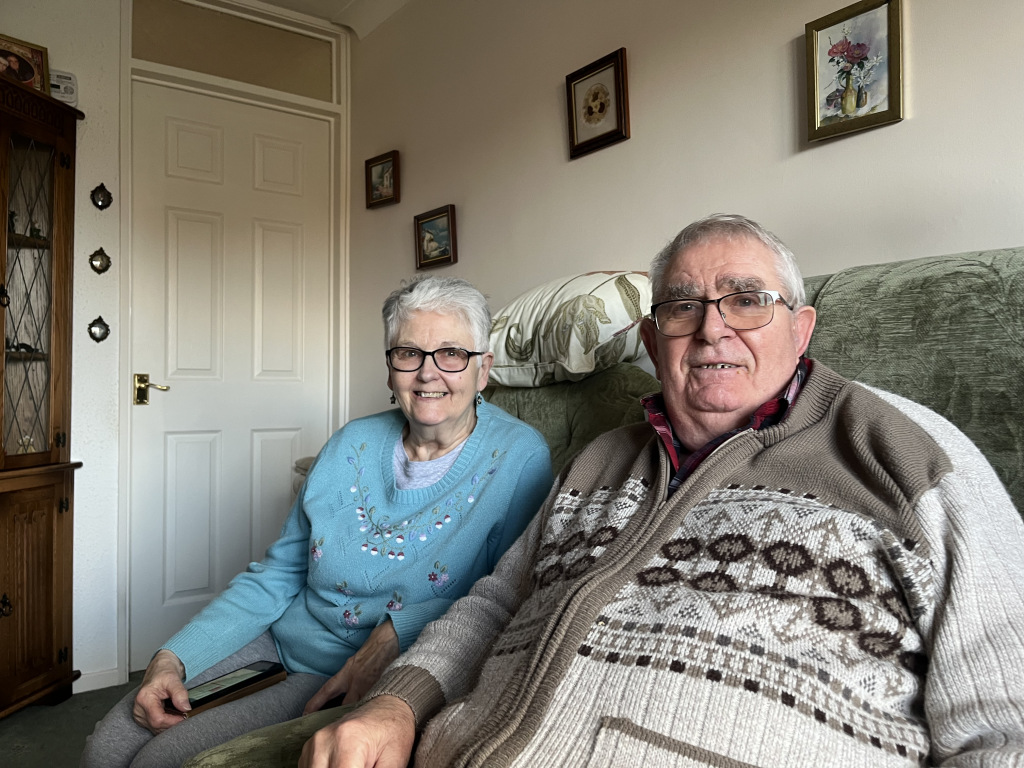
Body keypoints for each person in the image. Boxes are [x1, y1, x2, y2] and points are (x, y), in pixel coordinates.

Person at [256, 213, 1022, 768]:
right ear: (654, 344)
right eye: (683, 306)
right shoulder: (598, 459)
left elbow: (1005, 721)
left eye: (747, 299)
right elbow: (493, 604)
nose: (713, 329)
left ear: (802, 329)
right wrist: (396, 701)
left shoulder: (902, 451)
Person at [80, 275, 553, 768]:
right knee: (110, 743)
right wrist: (171, 657)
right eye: (408, 353)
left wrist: (394, 633)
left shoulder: (518, 458)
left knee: (163, 760)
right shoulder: (352, 442)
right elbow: (280, 573)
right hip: (275, 637)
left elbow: (509, 598)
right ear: (391, 369)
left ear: (483, 371)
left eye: (452, 354)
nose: (428, 373)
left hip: (339, 672)